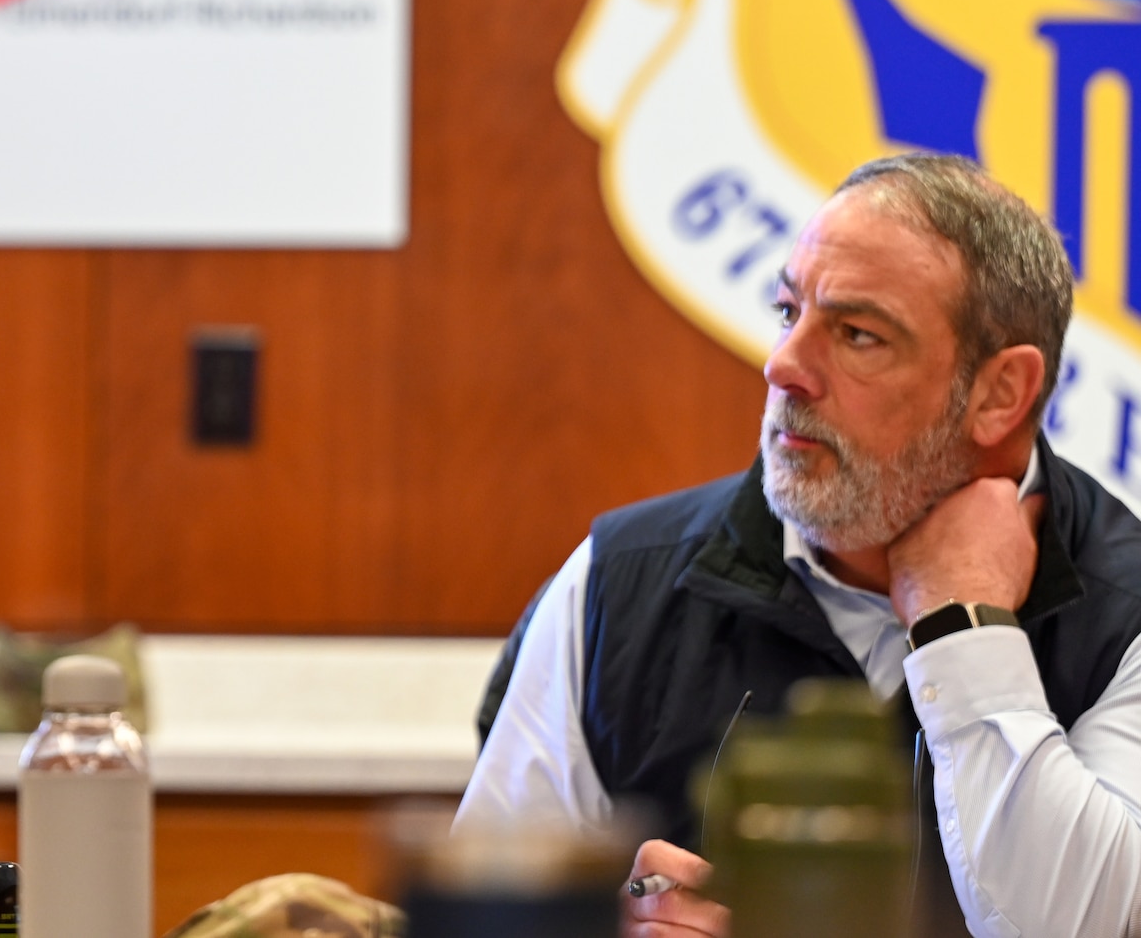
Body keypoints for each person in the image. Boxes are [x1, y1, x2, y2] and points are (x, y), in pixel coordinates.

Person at [457, 151, 1141, 938]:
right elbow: (485, 919)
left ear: (999, 393)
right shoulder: (616, 583)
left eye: (856, 334)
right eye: (789, 312)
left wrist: (964, 626)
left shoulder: (1124, 615)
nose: (783, 365)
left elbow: (1082, 926)